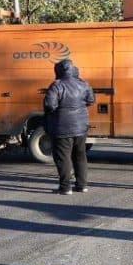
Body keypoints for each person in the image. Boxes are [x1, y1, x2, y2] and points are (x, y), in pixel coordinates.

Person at [43, 58, 95, 194]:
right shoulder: (83, 84)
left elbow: (49, 105)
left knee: (63, 157)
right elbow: (91, 100)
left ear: (58, 71)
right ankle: (82, 185)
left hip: (62, 127)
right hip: (81, 126)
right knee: (80, 155)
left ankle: (65, 187)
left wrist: (53, 112)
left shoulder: (57, 85)